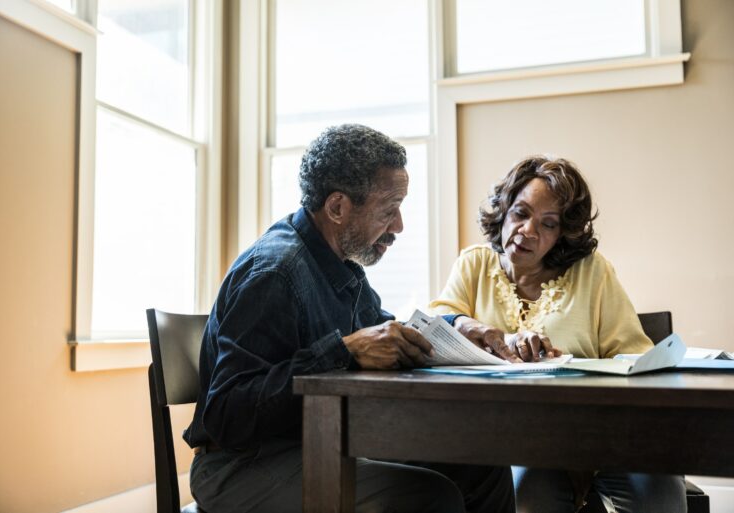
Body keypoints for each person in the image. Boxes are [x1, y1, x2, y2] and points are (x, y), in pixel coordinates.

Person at [183, 124, 516, 513]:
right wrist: (343, 352)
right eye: (389, 210)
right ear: (338, 207)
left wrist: (459, 329)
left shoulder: (342, 266)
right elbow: (227, 414)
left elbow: (390, 334)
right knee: (429, 496)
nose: (399, 226)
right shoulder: (273, 273)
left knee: (483, 465)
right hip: (239, 466)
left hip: (321, 442)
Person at [430, 155, 687, 513]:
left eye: (547, 224)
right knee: (527, 497)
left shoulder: (593, 272)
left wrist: (570, 363)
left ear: (563, 233)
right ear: (504, 209)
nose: (527, 231)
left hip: (603, 435)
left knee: (659, 497)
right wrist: (463, 322)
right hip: (515, 441)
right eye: (520, 213)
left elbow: (636, 358)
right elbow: (436, 318)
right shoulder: (474, 263)